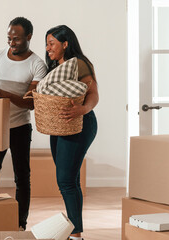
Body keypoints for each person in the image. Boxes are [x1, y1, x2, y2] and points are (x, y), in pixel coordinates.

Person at [0, 17, 47, 230]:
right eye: (9, 38)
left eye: (16, 39)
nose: (11, 43)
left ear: (29, 37)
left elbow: (30, 103)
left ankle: (20, 224)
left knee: (22, 177)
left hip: (20, 128)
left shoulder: (37, 64)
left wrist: (2, 92)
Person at [44, 25, 99, 240]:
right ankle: (74, 232)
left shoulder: (80, 64)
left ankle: (75, 235)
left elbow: (94, 93)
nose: (48, 48)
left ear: (65, 44)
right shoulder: (55, 67)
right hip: (58, 127)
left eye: (52, 43)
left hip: (80, 124)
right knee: (69, 180)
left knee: (65, 180)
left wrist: (83, 109)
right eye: (46, 43)